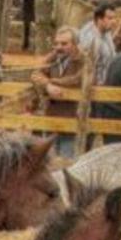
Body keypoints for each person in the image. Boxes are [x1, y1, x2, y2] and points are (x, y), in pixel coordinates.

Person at [31, 28, 86, 157]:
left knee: (67, 158)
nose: (58, 47)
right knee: (50, 158)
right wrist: (47, 86)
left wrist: (49, 81)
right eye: (56, 43)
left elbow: (78, 80)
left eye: (64, 43)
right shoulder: (53, 57)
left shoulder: (84, 59)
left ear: (75, 44)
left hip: (73, 115)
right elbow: (35, 75)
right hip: (51, 115)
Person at [78, 2, 118, 83]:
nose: (114, 21)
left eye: (114, 18)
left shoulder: (106, 33)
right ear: (99, 19)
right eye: (110, 18)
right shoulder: (89, 39)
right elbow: (88, 67)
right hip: (97, 85)